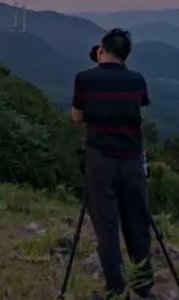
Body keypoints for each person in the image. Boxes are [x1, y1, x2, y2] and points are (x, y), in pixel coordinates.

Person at [72, 28, 153, 299]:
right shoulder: (137, 80)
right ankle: (143, 286)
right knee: (138, 225)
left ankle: (116, 289)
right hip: (131, 162)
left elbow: (76, 117)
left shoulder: (84, 79)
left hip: (100, 161)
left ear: (101, 50)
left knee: (107, 228)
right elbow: (138, 106)